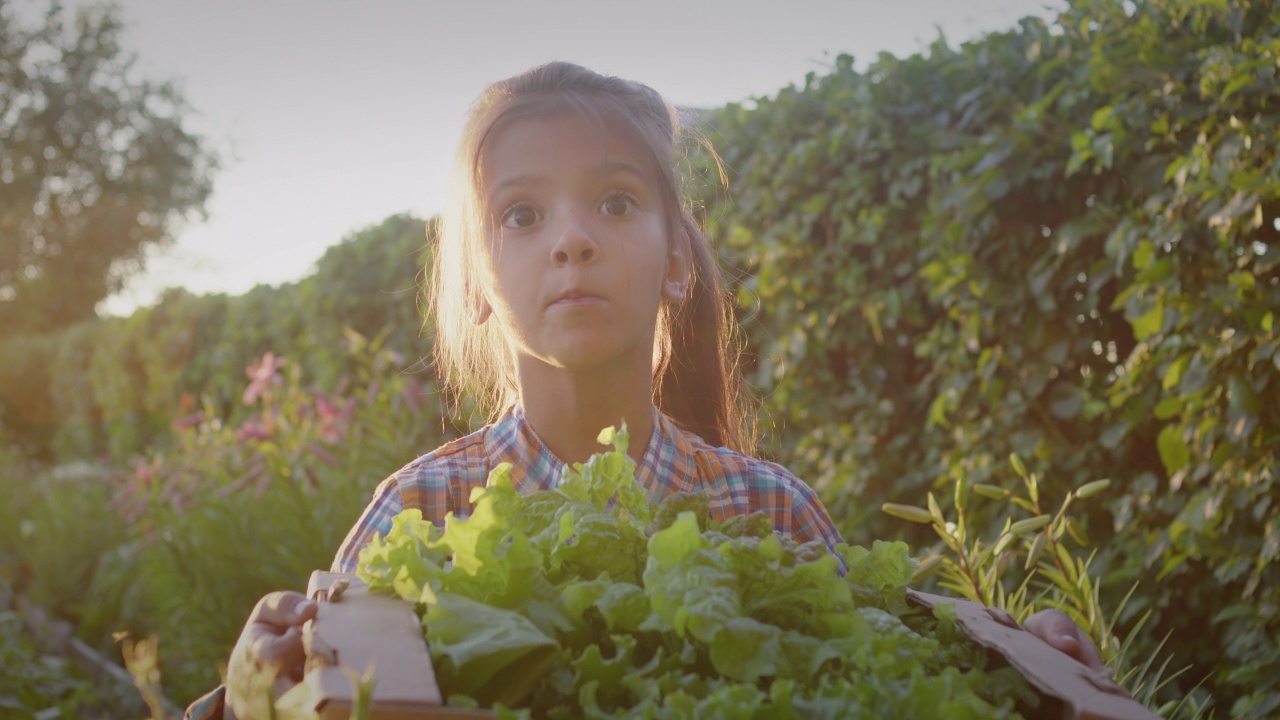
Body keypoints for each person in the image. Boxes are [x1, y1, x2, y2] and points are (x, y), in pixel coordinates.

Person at [185, 62, 1103, 720]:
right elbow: (334, 696)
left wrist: (1017, 676)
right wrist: (243, 700)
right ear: (476, 284)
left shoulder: (769, 510)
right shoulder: (417, 512)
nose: (571, 239)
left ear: (675, 263)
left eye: (616, 202)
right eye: (521, 214)